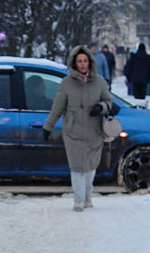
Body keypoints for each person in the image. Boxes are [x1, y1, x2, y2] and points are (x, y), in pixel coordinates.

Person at [42, 47, 118, 211]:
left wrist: (101, 107)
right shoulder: (67, 83)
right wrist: (48, 127)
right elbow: (57, 107)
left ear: (89, 62)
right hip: (73, 132)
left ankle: (88, 197)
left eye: (85, 61)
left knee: (90, 167)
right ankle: (78, 200)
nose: (83, 64)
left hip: (94, 131)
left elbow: (109, 102)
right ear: (74, 63)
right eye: (79, 61)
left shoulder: (99, 82)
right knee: (77, 167)